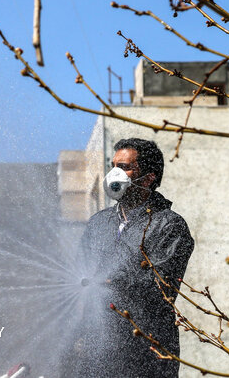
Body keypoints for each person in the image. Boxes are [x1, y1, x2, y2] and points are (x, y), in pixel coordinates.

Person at [73, 138, 194, 378]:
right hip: (96, 352)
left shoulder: (169, 225)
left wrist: (110, 281)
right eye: (114, 165)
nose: (115, 173)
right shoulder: (99, 223)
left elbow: (163, 289)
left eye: (125, 167)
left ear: (149, 178)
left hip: (146, 354)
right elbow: (78, 275)